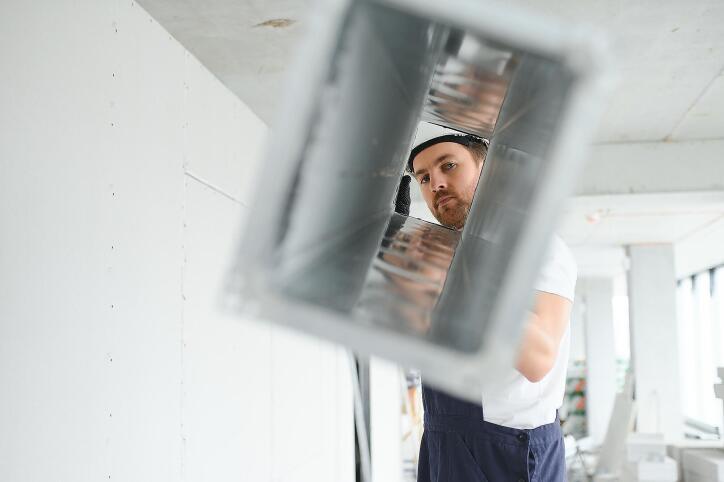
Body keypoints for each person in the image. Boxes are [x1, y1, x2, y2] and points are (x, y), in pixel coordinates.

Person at [400, 133, 577, 482]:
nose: (435, 182)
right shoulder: (446, 257)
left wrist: (449, 273)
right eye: (423, 178)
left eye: (448, 165)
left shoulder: (538, 248)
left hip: (504, 446)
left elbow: (537, 360)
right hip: (443, 434)